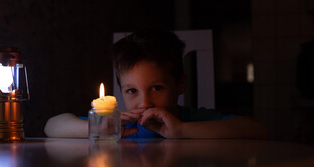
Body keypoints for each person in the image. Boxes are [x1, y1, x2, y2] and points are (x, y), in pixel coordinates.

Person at [44, 29, 268, 139]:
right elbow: (52, 126)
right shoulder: (118, 125)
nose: (145, 101)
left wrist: (182, 130)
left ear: (180, 83)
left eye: (157, 88)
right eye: (132, 91)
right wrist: (100, 128)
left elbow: (256, 130)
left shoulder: (189, 120)